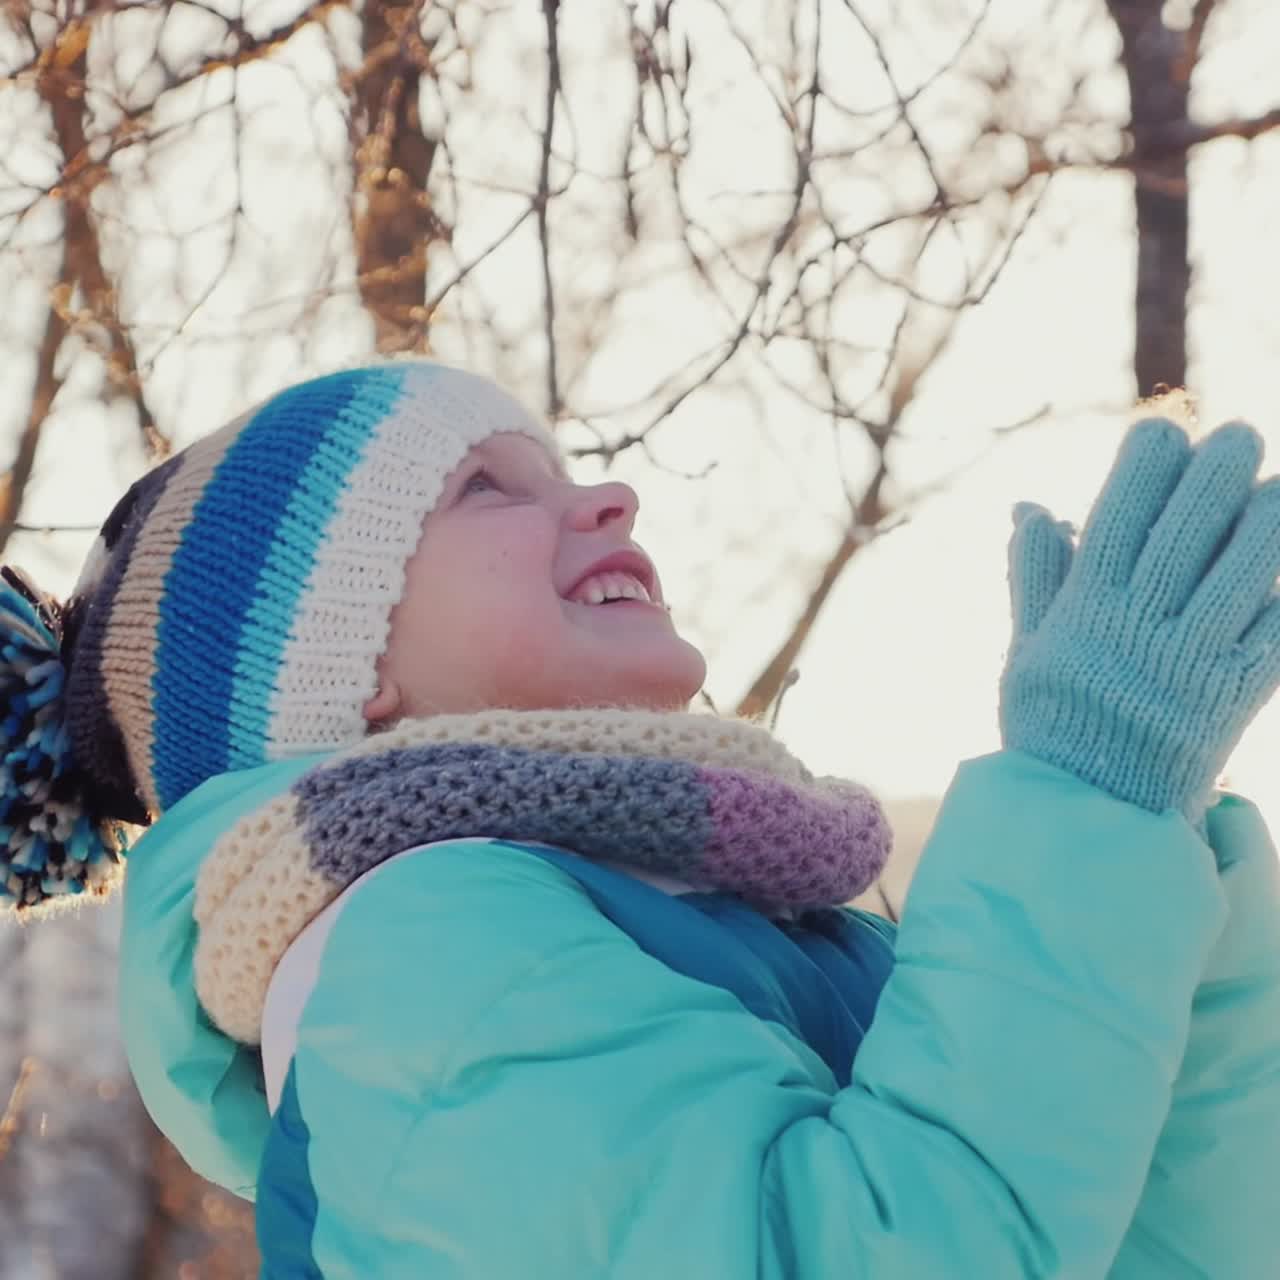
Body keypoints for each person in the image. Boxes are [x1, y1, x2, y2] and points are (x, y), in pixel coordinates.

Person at [1, 359, 1277, 1278]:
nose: (606, 497)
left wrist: (1147, 853)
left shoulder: (733, 927)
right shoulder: (419, 961)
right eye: (486, 490)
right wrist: (1082, 804)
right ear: (340, 668)